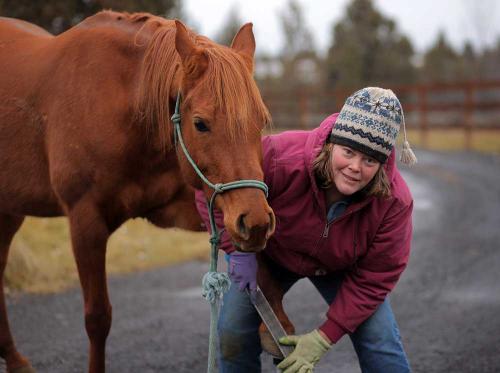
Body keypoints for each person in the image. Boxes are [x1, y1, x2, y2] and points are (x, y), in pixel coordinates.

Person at [195, 87, 417, 373]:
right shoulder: (279, 157)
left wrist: (323, 337)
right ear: (331, 144)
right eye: (348, 152)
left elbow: (376, 277)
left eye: (369, 160)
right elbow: (210, 190)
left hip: (342, 267)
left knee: (380, 340)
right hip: (270, 256)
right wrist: (236, 252)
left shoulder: (394, 203)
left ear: (383, 162)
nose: (354, 167)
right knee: (233, 331)